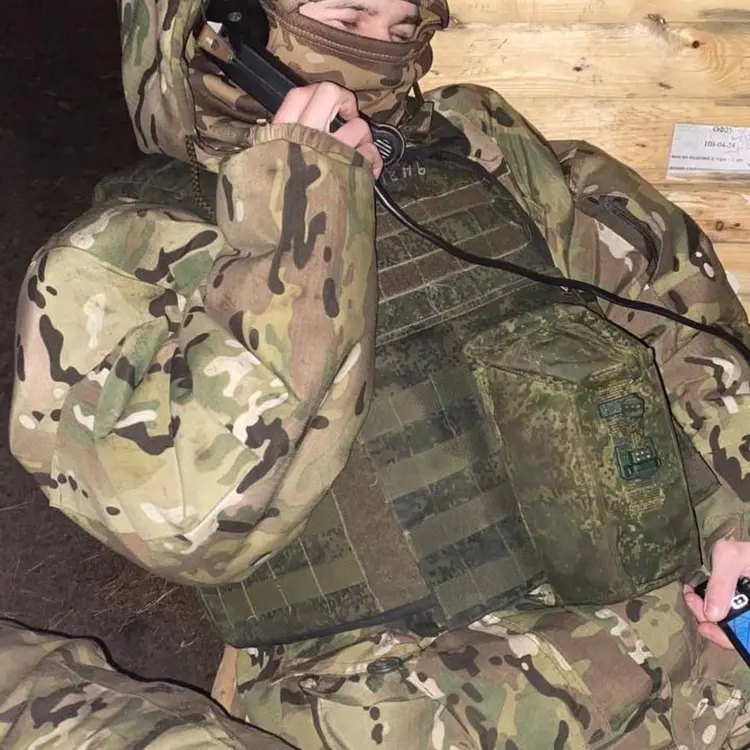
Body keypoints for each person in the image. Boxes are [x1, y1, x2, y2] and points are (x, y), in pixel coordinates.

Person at [8, 0, 750, 747]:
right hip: (427, 707)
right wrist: (302, 217)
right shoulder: (116, 256)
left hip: (699, 648)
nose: (374, 55)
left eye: (398, 30)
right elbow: (182, 521)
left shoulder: (482, 148)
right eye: (348, 17)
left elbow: (680, 323)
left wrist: (741, 516)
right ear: (221, 27)